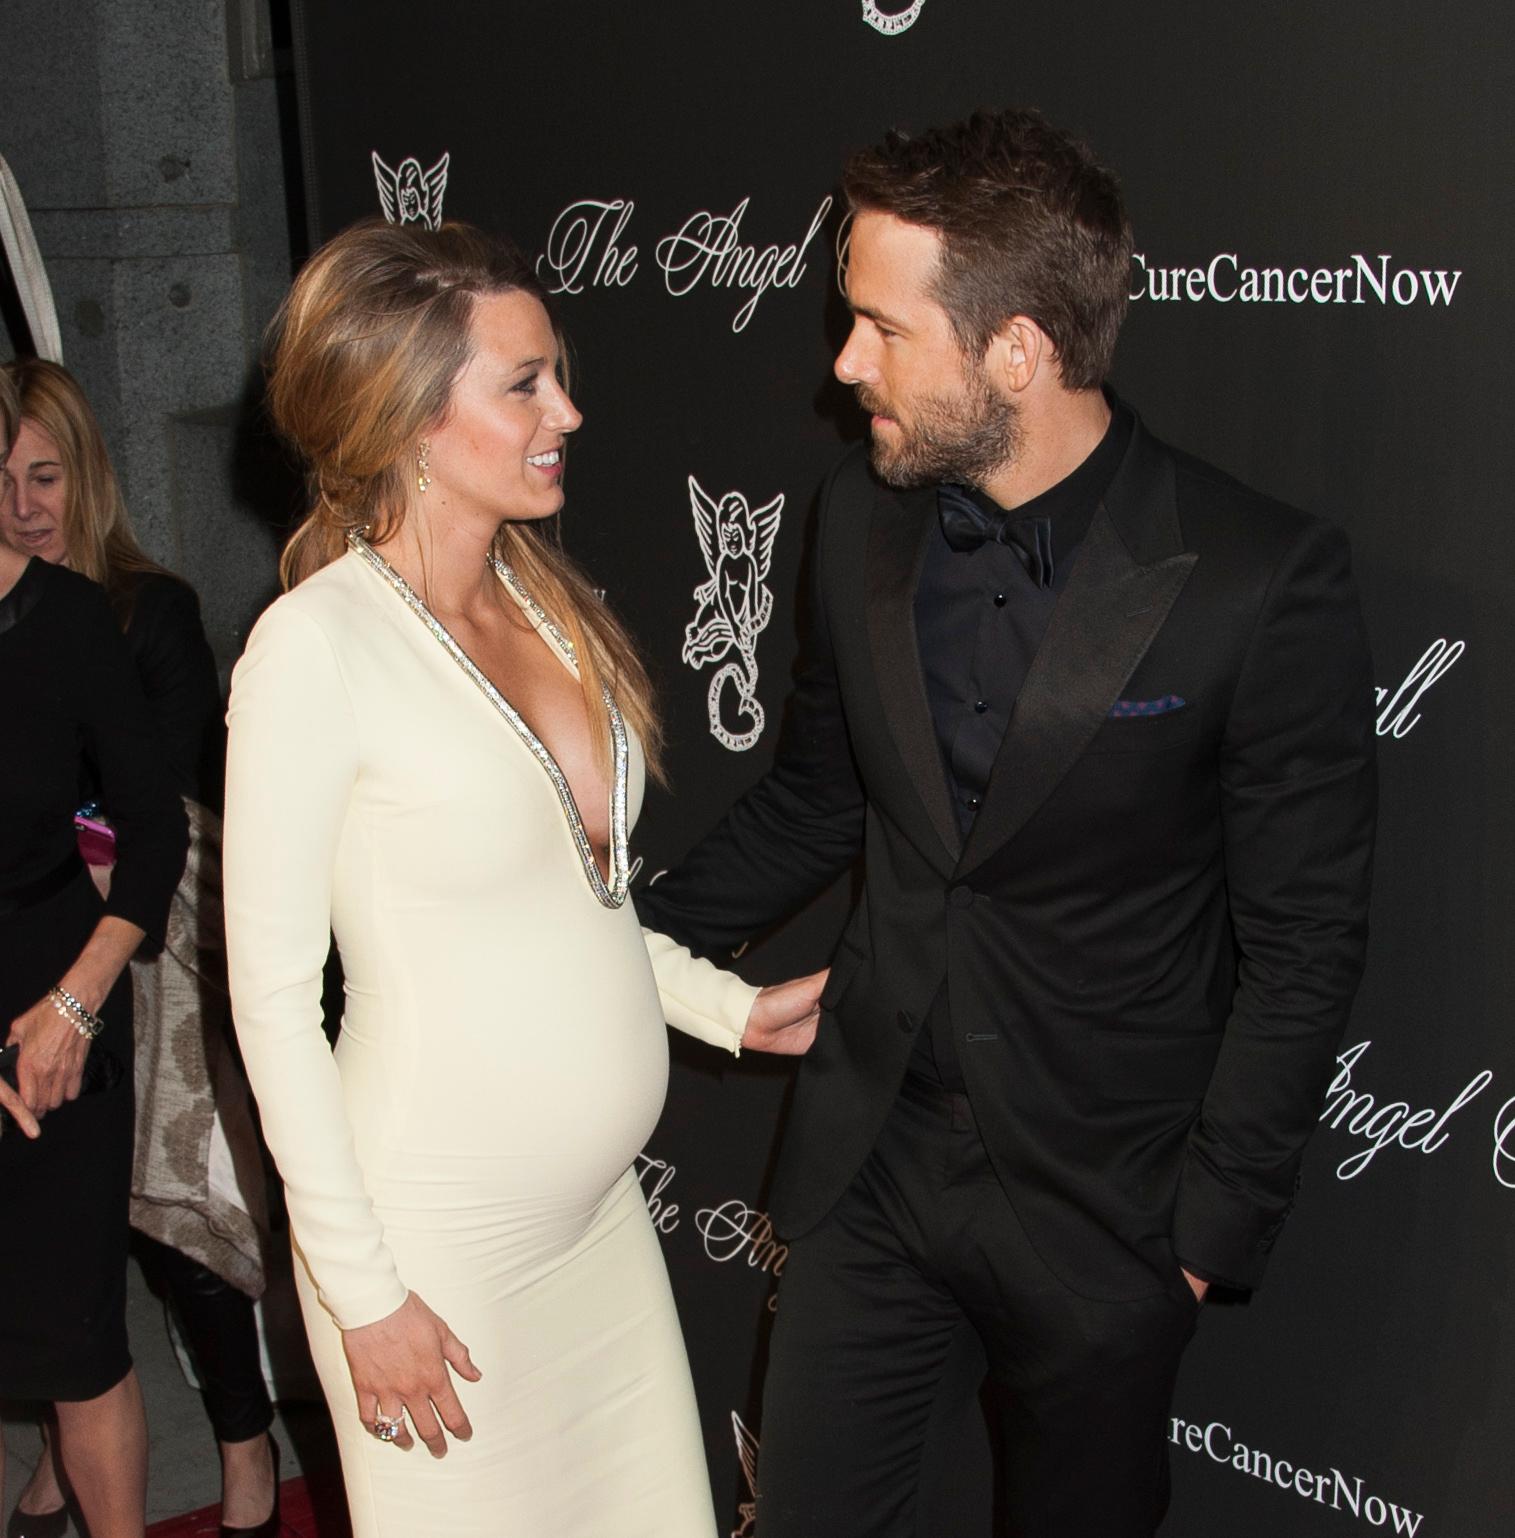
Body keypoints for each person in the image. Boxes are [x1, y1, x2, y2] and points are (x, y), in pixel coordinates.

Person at [637, 107, 1378, 1537]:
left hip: (1105, 1212)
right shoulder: (856, 518)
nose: (842, 361)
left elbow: (1302, 941)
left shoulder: (1252, 576)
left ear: (1017, 351)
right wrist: (615, 928)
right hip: (872, 1168)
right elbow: (814, 798)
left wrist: (1195, 1240)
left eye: (877, 326)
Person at [221, 218, 824, 1538]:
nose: (568, 408)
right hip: (434, 1248)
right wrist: (364, 1294)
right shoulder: (312, 651)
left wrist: (727, 1006)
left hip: (595, 1228)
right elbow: (268, 1005)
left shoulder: (541, 598)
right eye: (524, 383)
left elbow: (572, 903)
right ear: (404, 414)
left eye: (554, 372)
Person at [0, 358, 280, 1538]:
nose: (24, 502)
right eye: (5, 478)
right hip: (74, 944)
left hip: (135, 961)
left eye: (44, 475)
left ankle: (244, 1446)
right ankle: (60, 1471)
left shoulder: (125, 607)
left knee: (172, 1239)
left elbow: (170, 801)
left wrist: (76, 991)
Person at [0, 364, 189, 1538]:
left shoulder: (69, 619)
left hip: (56, 991)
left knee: (77, 1336)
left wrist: (74, 1003)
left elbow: (155, 827)